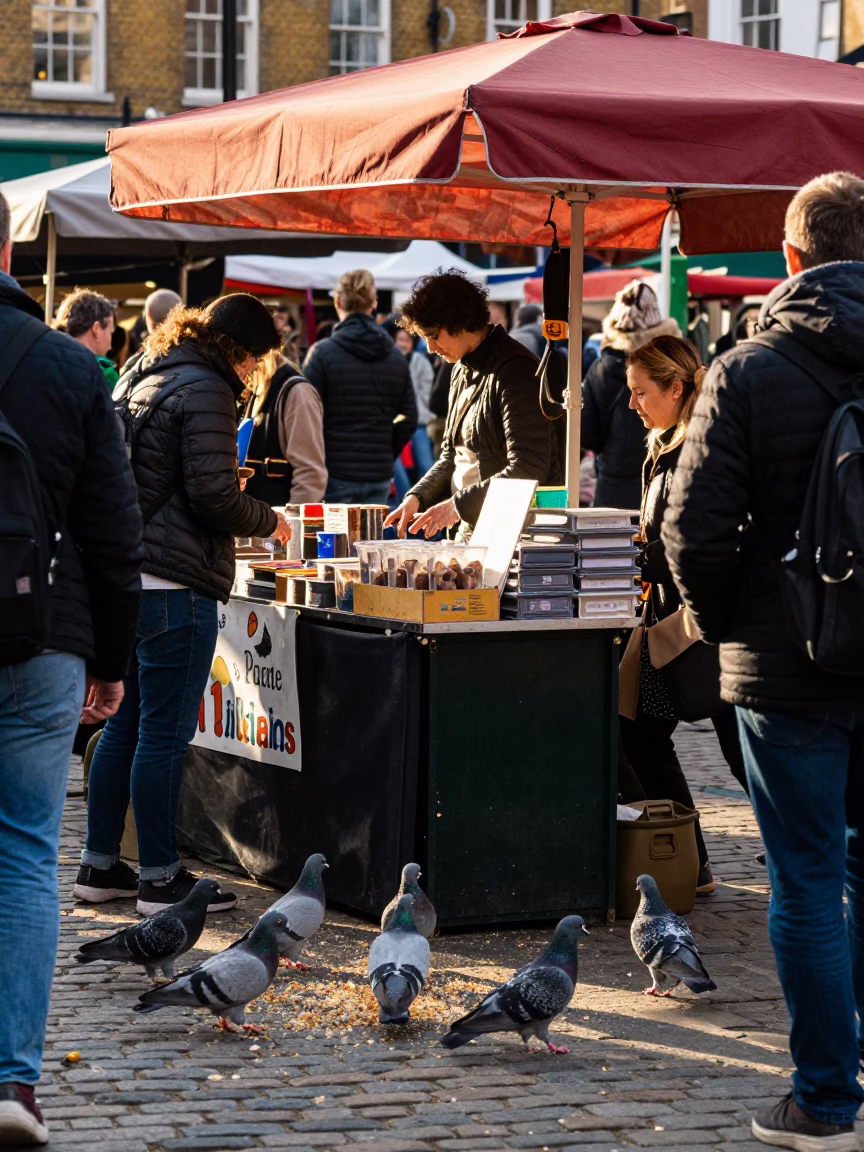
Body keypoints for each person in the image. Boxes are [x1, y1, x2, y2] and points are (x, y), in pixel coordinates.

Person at [663, 171, 864, 1152]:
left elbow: (691, 531)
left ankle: (827, 1100)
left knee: (807, 878)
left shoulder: (746, 369)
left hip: (785, 670)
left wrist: (725, 624)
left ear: (789, 258)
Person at [0, 191, 143, 1146]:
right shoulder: (65, 363)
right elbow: (112, 527)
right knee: (21, 854)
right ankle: (11, 1081)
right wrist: (114, 657)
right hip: (42, 635)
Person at [73, 294, 292, 918]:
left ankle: (99, 865)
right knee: (164, 737)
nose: (253, 374)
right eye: (255, 361)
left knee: (125, 725)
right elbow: (213, 497)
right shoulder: (210, 389)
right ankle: (161, 877)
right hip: (176, 583)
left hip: (126, 577)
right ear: (240, 351)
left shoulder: (152, 367)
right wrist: (268, 520)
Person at [618, 334, 747, 898]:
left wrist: (637, 555)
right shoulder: (662, 442)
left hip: (704, 624)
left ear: (676, 387)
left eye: (641, 392)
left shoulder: (702, 446)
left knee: (747, 751)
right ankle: (689, 864)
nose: (632, 404)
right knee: (642, 734)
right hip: (669, 623)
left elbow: (698, 536)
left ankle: (827, 852)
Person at [385, 269, 560, 540]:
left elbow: (528, 467)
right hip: (473, 527)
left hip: (514, 533)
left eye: (433, 335)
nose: (430, 348)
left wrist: (456, 506)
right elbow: (451, 455)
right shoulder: (460, 368)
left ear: (459, 322)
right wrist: (417, 496)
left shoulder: (517, 370)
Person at [303, 269, 416, 505]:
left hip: (334, 470)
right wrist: (385, 451)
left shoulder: (323, 353)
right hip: (378, 472)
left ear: (337, 301)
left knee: (334, 541)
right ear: (373, 304)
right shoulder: (395, 356)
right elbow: (409, 417)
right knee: (370, 540)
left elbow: (306, 416)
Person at [582, 280, 680, 510]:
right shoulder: (678, 365)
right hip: (669, 482)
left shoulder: (601, 369)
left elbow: (588, 437)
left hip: (614, 491)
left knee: (614, 546)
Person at [244, 348, 328, 505]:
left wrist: (292, 525)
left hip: (279, 521)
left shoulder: (297, 393)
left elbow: (310, 476)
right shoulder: (254, 389)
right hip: (256, 522)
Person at [393, 327, 436, 490]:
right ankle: (405, 499)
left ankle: (428, 499)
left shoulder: (421, 362)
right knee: (395, 466)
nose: (402, 344)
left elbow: (427, 394)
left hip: (419, 421)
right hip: (395, 422)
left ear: (413, 343)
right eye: (400, 339)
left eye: (407, 340)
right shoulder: (391, 359)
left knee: (426, 464)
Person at [52, 287, 117, 389]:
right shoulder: (105, 374)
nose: (110, 346)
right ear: (96, 329)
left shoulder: (43, 363)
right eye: (110, 332)